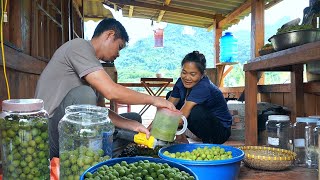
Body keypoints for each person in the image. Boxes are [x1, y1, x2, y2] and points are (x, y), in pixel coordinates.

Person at [35, 18, 176, 159]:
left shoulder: (94, 67)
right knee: (84, 94)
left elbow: (101, 112)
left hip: (74, 133)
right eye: (119, 47)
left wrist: (131, 124)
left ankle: (101, 158)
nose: (119, 54)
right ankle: (87, 158)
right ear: (109, 35)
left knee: (134, 119)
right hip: (49, 135)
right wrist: (154, 100)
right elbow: (111, 91)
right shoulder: (78, 46)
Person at [166, 51, 232, 144]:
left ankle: (209, 145)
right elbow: (167, 107)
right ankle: (181, 138)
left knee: (195, 110)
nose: (187, 77)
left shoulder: (204, 86)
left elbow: (181, 119)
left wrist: (159, 130)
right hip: (202, 125)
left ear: (202, 74)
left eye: (192, 74)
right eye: (184, 72)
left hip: (220, 131)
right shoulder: (181, 82)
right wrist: (148, 130)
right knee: (170, 98)